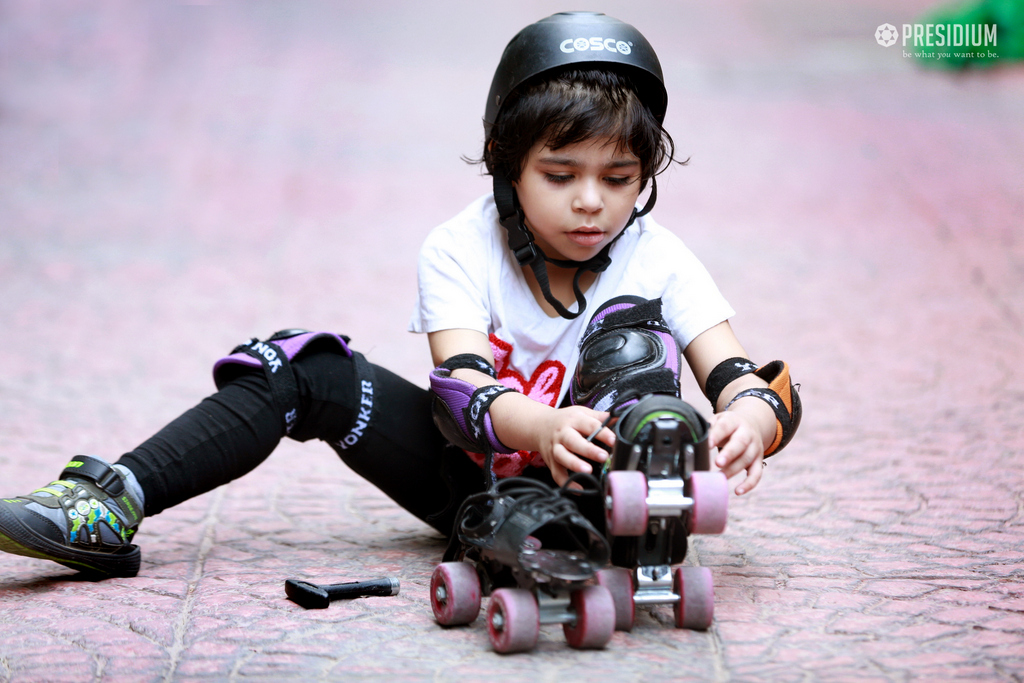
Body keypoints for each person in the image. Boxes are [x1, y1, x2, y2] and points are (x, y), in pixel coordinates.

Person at [0, 12, 800, 580]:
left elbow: (745, 377)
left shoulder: (659, 258)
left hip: (605, 481)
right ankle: (107, 504)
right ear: (506, 163)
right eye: (561, 176)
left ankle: (610, 529)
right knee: (302, 365)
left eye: (619, 179)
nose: (591, 202)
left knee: (633, 338)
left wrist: (751, 423)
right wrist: (544, 425)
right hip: (473, 476)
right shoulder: (459, 245)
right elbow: (461, 397)